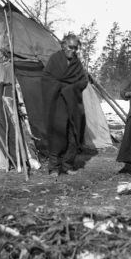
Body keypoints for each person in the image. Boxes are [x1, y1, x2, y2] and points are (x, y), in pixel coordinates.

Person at [41, 33, 89, 177]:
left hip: (73, 103)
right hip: (57, 102)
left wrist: (71, 88)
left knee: (73, 134)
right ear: (63, 45)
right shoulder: (55, 59)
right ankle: (54, 167)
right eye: (70, 47)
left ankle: (68, 165)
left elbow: (83, 81)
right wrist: (62, 87)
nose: (73, 51)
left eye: (75, 48)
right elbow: (46, 79)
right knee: (57, 134)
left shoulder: (77, 63)